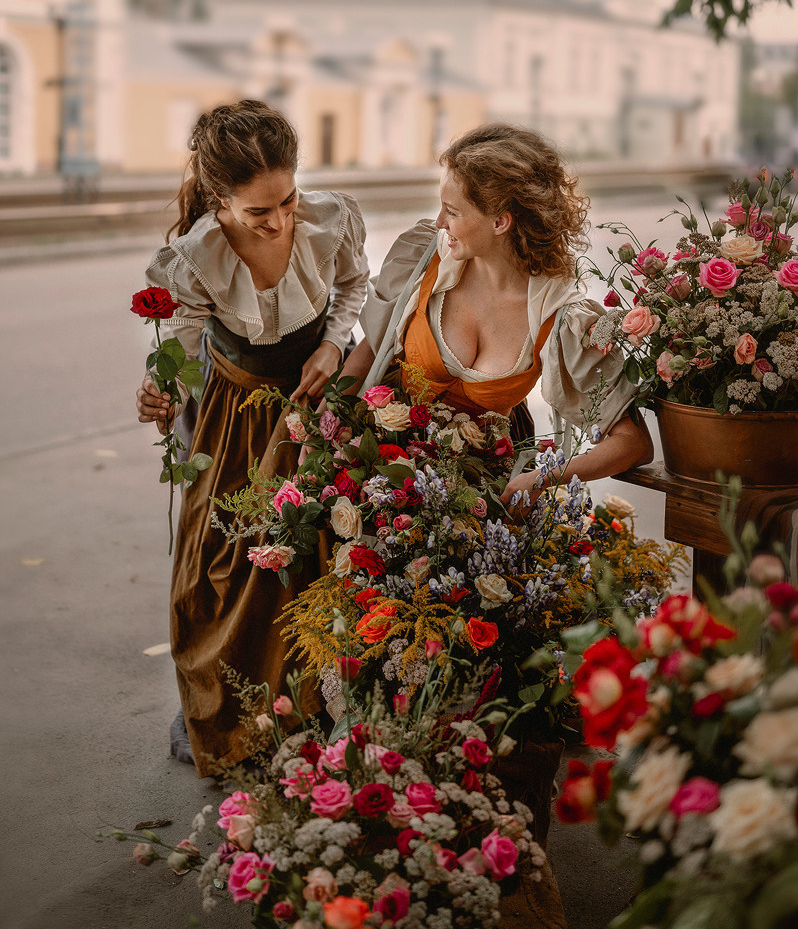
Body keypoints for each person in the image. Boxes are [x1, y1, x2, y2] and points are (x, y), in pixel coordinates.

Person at [135, 99, 369, 777]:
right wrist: (160, 391)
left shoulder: (329, 220)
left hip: (321, 392)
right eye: (258, 212)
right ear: (219, 200)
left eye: (288, 200)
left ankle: (323, 706)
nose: (280, 220)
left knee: (327, 547)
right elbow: (178, 356)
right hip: (238, 409)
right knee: (227, 558)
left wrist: (331, 347)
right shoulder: (194, 257)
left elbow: (356, 286)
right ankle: (233, 707)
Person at [340, 122, 653, 493]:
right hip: (373, 473)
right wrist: (327, 431)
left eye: (451, 211)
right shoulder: (425, 258)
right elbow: (374, 347)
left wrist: (543, 478)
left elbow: (634, 443)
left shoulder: (559, 316)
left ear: (500, 221)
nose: (440, 222)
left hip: (475, 498)